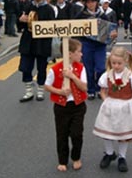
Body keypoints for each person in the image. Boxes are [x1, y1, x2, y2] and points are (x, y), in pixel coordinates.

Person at [93, 46, 132, 172]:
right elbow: (103, 91)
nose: (116, 66)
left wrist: (130, 103)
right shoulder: (107, 75)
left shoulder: (131, 76)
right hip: (110, 106)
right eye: (113, 63)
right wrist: (106, 100)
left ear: (125, 61)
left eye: (119, 63)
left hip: (125, 106)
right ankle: (109, 153)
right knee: (107, 131)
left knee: (123, 133)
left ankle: (122, 157)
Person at [44, 39, 87, 172]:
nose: (81, 54)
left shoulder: (80, 68)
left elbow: (84, 87)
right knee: (61, 134)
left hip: (78, 106)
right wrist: (60, 92)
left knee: (76, 133)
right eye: (79, 52)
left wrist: (72, 76)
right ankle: (62, 160)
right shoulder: (55, 68)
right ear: (69, 54)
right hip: (61, 107)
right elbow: (47, 86)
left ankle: (76, 157)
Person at [75, 0, 117, 100]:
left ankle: (99, 87)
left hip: (100, 45)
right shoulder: (81, 14)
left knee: (100, 68)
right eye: (88, 2)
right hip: (86, 44)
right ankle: (91, 90)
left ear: (96, 3)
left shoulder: (102, 14)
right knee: (88, 68)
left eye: (93, 2)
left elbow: (110, 27)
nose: (90, 4)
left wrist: (113, 33)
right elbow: (74, 28)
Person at [18, 0, 55, 102]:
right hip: (28, 41)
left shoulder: (49, 9)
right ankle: (28, 91)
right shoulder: (27, 6)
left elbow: (52, 27)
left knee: (41, 67)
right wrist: (21, 20)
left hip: (42, 43)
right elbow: (20, 26)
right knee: (25, 67)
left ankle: (40, 90)